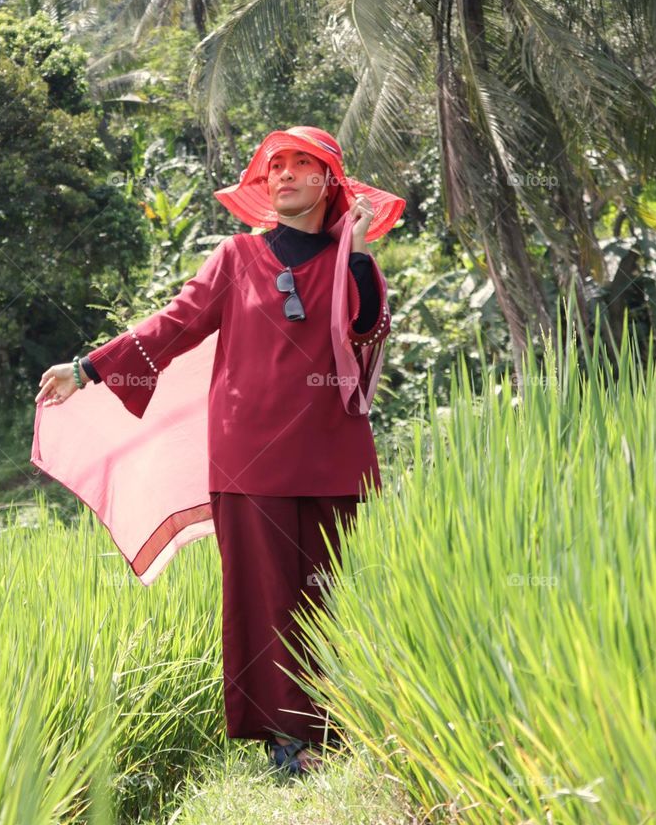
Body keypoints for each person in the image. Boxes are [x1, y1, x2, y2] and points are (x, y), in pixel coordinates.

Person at [34, 126, 405, 775]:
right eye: (274, 166)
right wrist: (88, 368)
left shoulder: (355, 262)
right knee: (261, 599)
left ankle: (333, 722)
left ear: (329, 182)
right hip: (248, 458)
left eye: (300, 165)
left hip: (331, 456)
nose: (284, 175)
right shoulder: (235, 259)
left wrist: (354, 251)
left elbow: (367, 328)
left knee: (329, 591)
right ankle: (287, 742)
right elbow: (174, 324)